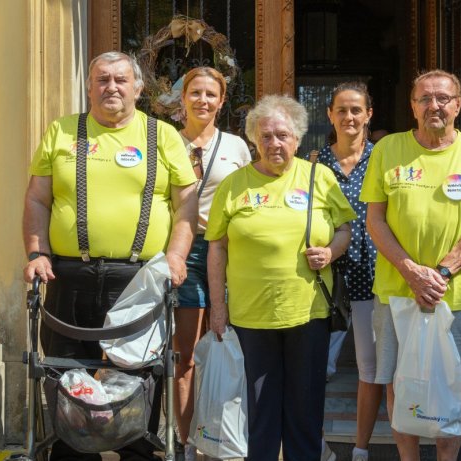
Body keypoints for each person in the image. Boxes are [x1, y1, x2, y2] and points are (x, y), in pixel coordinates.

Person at [22, 51, 198, 461]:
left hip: (138, 278)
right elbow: (36, 198)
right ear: (89, 86)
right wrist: (37, 252)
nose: (111, 87)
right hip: (67, 275)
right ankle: (71, 453)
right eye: (102, 79)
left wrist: (176, 255)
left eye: (121, 80)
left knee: (138, 377)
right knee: (67, 373)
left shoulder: (163, 135)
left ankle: (136, 453)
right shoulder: (61, 131)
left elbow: (186, 205)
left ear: (138, 88)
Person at [360, 69, 461, 461]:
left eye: (442, 98)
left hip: (455, 294)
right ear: (412, 106)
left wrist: (440, 273)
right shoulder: (388, 149)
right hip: (396, 294)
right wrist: (410, 271)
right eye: (424, 98)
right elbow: (375, 220)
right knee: (397, 383)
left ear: (457, 104)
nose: (433, 105)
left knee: (454, 385)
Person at [206, 94, 356, 461]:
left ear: (298, 139)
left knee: (305, 409)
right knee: (260, 410)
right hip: (250, 316)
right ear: (255, 140)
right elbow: (217, 249)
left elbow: (345, 229)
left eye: (283, 135)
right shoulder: (234, 184)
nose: (275, 143)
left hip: (307, 312)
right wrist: (218, 308)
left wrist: (331, 251)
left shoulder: (319, 177)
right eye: (267, 136)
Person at [174, 66, 252, 461]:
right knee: (185, 354)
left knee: (223, 344)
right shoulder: (167, 142)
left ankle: (219, 439)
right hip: (183, 251)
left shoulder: (237, 146)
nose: (202, 100)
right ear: (182, 97)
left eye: (210, 94)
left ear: (222, 101)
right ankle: (188, 443)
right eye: (195, 92)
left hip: (227, 251)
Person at [309, 82, 379, 461]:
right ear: (330, 115)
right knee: (318, 367)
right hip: (327, 280)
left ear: (369, 114)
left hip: (373, 277)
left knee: (370, 369)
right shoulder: (314, 163)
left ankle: (361, 449)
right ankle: (317, 445)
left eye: (356, 110)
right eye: (342, 110)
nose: (349, 117)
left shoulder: (384, 159)